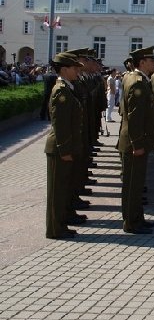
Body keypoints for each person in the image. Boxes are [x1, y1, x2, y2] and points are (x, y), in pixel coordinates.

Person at [44, 52, 85, 239]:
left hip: (65, 148)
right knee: (57, 192)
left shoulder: (67, 88)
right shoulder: (61, 91)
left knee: (63, 189)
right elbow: (60, 125)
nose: (77, 71)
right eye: (74, 68)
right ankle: (55, 229)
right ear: (64, 70)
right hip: (60, 149)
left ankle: (61, 224)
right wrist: (65, 150)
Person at [117, 46, 154, 234]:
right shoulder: (138, 83)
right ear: (142, 62)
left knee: (136, 184)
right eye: (151, 60)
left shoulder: (134, 78)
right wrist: (138, 144)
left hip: (135, 141)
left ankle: (137, 217)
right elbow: (134, 117)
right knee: (133, 185)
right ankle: (131, 222)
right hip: (134, 143)